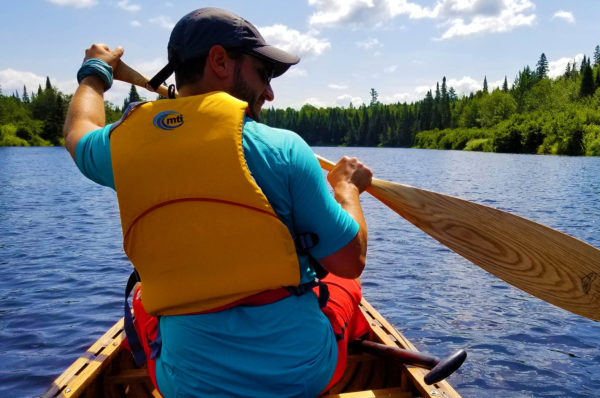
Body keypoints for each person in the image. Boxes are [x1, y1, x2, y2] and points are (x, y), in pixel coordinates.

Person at [63, 7, 373, 397]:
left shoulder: (123, 146)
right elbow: (349, 261)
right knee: (346, 285)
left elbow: (78, 132)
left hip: (185, 384)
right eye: (263, 73)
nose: (270, 91)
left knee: (143, 299)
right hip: (300, 376)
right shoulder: (284, 148)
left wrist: (95, 72)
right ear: (220, 61)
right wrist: (346, 188)